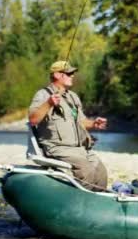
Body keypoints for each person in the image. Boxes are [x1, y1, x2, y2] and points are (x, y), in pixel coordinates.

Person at [28, 60, 108, 191]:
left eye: (72, 73)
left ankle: (97, 204)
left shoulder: (73, 97)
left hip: (80, 149)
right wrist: (49, 103)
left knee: (101, 174)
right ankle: (80, 203)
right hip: (58, 148)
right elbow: (33, 119)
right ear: (57, 75)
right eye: (69, 73)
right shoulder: (43, 95)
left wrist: (94, 123)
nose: (72, 76)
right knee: (86, 171)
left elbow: (81, 122)